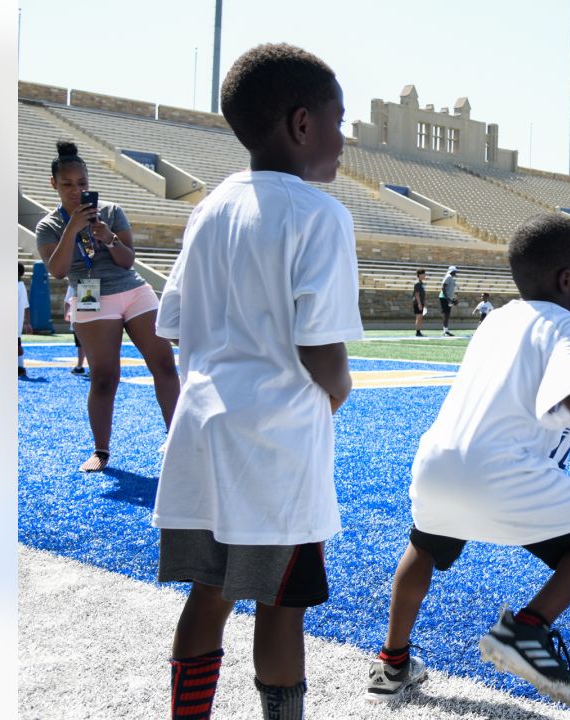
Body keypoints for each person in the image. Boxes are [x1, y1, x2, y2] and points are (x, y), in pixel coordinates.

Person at [364, 214, 570, 708]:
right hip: (501, 474)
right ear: (568, 279)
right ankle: (529, 628)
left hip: (435, 464)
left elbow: (523, 393)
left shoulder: (495, 320)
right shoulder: (565, 324)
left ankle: (392, 664)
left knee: (424, 547)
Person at [151, 43, 361, 720]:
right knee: (281, 605)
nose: (342, 138)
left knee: (209, 594)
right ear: (302, 125)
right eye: (337, 120)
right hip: (276, 447)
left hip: (203, 434)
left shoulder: (209, 208)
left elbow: (175, 322)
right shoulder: (319, 215)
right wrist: (339, 391)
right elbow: (321, 353)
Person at [35, 140, 179, 472]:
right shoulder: (49, 225)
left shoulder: (111, 212)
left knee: (164, 363)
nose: (76, 191)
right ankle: (101, 451)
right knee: (104, 376)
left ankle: (177, 438)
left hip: (132, 290)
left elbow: (129, 261)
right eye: (68, 184)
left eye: (82, 184)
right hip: (88, 296)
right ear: (53, 184)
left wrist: (108, 237)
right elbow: (57, 271)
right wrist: (73, 227)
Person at [63, 285, 87, 374]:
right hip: (91, 317)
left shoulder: (73, 283)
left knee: (81, 344)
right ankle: (82, 366)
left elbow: (67, 301)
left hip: (78, 318)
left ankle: (80, 366)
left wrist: (66, 314)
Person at [18, 263, 32, 378]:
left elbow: (26, 306)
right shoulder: (21, 286)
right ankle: (20, 367)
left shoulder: (19, 286)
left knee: (17, 346)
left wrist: (28, 323)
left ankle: (21, 367)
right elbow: (27, 306)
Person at [439, 266, 459, 336]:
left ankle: (446, 330)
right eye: (455, 271)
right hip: (444, 298)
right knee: (446, 314)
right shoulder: (448, 277)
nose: (456, 273)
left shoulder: (451, 278)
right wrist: (448, 298)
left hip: (448, 298)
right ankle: (445, 330)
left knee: (447, 314)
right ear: (452, 271)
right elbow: (443, 287)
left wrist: (452, 299)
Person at [412, 269, 427, 337]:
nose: (424, 275)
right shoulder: (417, 283)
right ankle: (417, 332)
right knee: (418, 317)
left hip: (421, 302)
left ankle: (419, 331)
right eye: (423, 274)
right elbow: (417, 294)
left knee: (420, 317)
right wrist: (419, 303)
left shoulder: (421, 283)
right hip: (418, 302)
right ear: (419, 275)